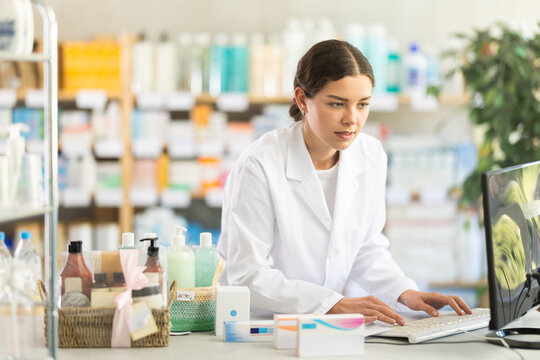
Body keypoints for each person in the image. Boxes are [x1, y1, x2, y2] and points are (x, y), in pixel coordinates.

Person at [217, 39, 471, 325]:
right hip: (260, 327)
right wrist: (331, 303)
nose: (352, 119)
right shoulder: (259, 164)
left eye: (362, 105)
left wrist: (404, 292)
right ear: (302, 100)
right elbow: (247, 276)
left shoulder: (371, 154)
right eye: (337, 104)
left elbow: (365, 247)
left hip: (327, 326)